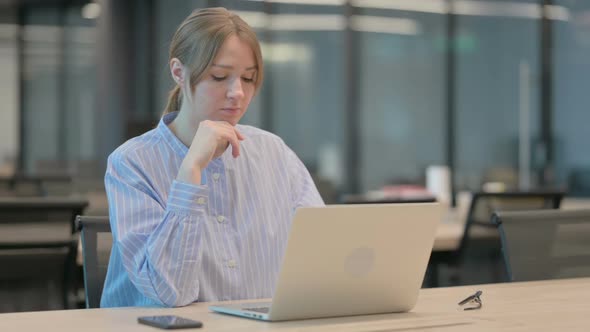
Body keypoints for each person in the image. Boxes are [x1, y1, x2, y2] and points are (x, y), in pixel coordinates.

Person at [100, 7, 324, 308]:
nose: (238, 93)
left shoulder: (275, 153)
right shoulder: (131, 163)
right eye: (219, 77)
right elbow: (170, 291)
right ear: (179, 72)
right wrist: (191, 169)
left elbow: (324, 257)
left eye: (248, 78)